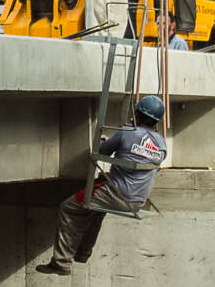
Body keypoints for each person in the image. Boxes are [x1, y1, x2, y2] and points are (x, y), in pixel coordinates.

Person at [36, 94, 167, 275]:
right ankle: (83, 253)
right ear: (156, 121)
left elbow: (102, 151)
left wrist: (105, 139)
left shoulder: (127, 133)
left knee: (68, 207)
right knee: (96, 206)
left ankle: (61, 262)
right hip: (137, 200)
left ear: (137, 114)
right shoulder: (162, 144)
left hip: (116, 195)